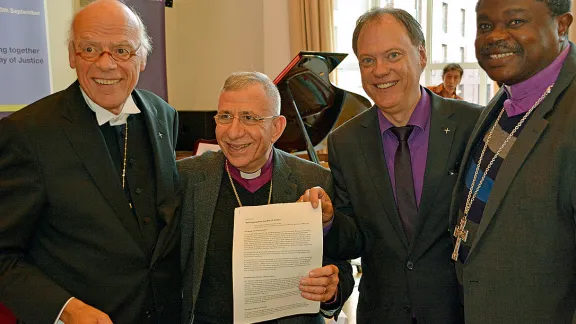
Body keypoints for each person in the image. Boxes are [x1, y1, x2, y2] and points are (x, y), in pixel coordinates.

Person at [0, 1, 181, 323]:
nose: (106, 64)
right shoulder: (27, 134)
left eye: (122, 50)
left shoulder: (163, 115)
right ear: (72, 56)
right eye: (90, 49)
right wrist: (65, 308)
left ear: (142, 57)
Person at [306, 7, 481, 323]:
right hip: (382, 313)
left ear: (422, 55)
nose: (379, 70)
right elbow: (355, 239)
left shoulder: (471, 125)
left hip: (458, 311)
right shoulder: (344, 142)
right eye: (368, 60)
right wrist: (330, 221)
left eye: (393, 55)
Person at [178, 71, 354, 324]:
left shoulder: (314, 179)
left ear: (277, 128)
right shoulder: (187, 177)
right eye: (225, 117)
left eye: (249, 118)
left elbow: (340, 264)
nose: (234, 132)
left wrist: (331, 291)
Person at [450, 0, 575, 322]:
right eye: (485, 26)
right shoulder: (507, 98)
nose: (495, 37)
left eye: (516, 21)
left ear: (561, 26)